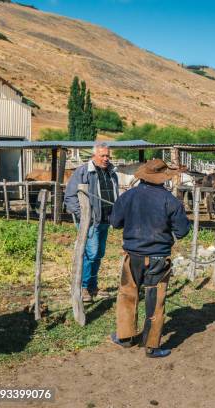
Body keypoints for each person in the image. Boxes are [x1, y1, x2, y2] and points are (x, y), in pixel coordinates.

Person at [109, 159, 190, 358]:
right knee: (155, 300)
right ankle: (152, 345)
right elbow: (182, 231)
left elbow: (115, 222)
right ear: (163, 178)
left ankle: (125, 337)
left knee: (128, 294)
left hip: (132, 256)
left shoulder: (128, 196)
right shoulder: (170, 201)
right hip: (158, 258)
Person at [64, 142, 119, 302]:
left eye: (108, 155)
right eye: (103, 155)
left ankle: (93, 286)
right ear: (94, 156)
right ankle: (83, 287)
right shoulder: (84, 172)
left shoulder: (112, 173)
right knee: (91, 253)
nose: (106, 158)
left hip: (105, 220)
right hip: (91, 221)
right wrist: (84, 216)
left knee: (99, 254)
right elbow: (70, 196)